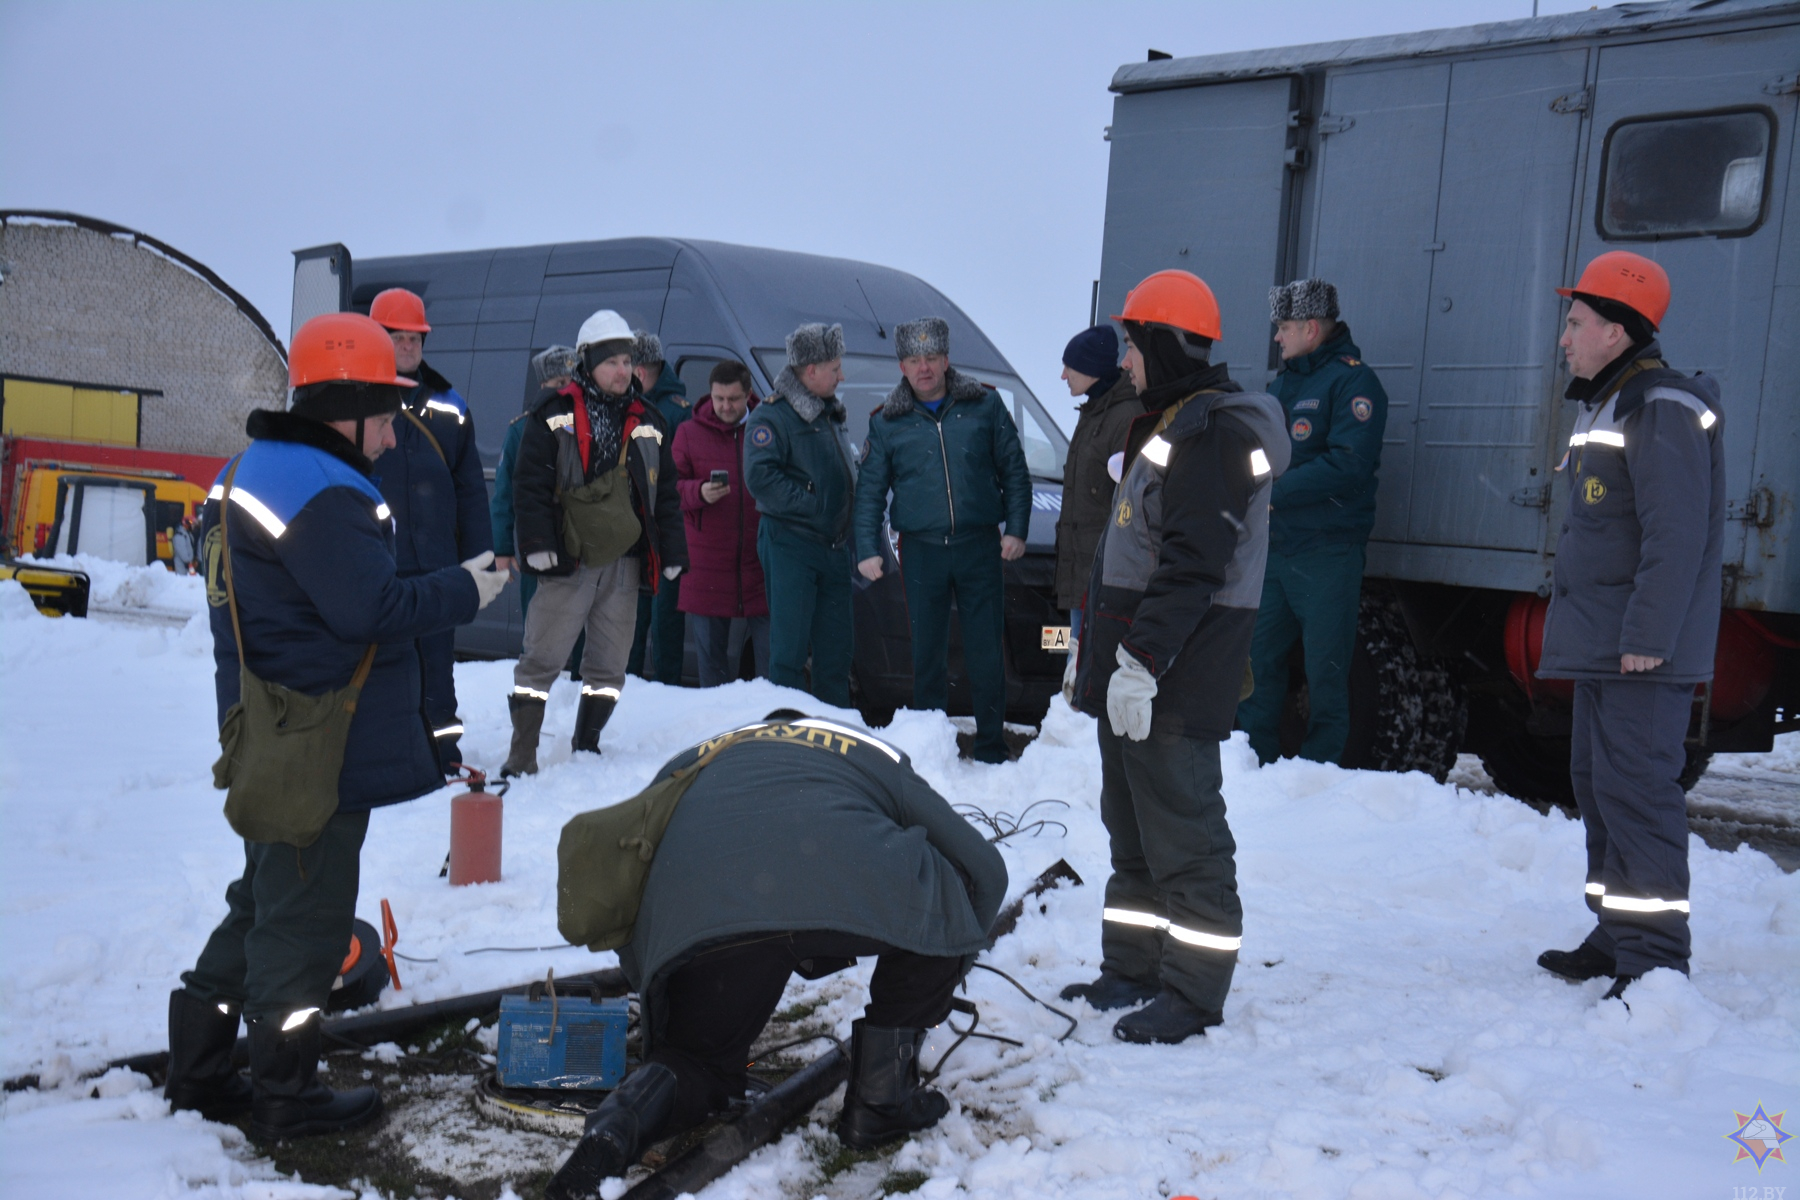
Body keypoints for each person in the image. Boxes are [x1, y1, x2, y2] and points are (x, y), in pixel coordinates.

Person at [162, 313, 506, 1139]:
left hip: (269, 726)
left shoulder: (259, 466)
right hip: (314, 735)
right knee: (304, 918)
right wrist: (466, 589)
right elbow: (371, 608)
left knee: (263, 899)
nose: (391, 438)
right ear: (346, 407)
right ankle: (286, 1095)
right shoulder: (322, 486)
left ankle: (201, 1070)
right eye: (385, 417)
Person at [544, 709, 1006, 1199]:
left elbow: (637, 883)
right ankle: (881, 1099)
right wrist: (953, 953)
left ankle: (614, 1129)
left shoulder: (696, 760)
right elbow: (986, 870)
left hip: (708, 913)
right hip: (839, 872)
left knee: (695, 1062)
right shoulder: (868, 752)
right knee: (946, 890)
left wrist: (665, 1020)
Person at [1062, 270, 1289, 1045]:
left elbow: (1195, 564)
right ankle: (1132, 967)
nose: (1125, 362)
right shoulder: (1170, 423)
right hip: (1137, 669)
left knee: (1185, 836)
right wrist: (1104, 661)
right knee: (1131, 830)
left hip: (1173, 676)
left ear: (1160, 343)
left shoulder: (1212, 433)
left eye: (1131, 345)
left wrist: (1142, 662)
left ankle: (1193, 991)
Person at [1533, 251, 1723, 1002]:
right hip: (1607, 645)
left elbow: (1674, 536)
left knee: (1638, 793)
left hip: (1640, 650)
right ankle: (1616, 931)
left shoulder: (1661, 405)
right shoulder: (1610, 400)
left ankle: (1653, 961)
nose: (1565, 337)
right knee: (1600, 785)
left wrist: (1648, 635)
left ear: (1616, 330)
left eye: (1575, 323)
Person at [502, 310, 686, 776]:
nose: (622, 370)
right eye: (611, 362)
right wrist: (537, 543)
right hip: (570, 558)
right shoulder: (552, 413)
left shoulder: (651, 418)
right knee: (541, 658)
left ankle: (588, 744)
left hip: (625, 562)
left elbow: (664, 491)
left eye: (627, 361)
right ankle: (522, 754)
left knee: (609, 666)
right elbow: (529, 484)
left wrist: (673, 553)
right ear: (587, 363)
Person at [853, 317, 1031, 762]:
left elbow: (1014, 469)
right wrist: (867, 549)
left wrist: (1018, 529)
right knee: (926, 653)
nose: (924, 368)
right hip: (922, 552)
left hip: (979, 547)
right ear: (902, 367)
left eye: (931, 358)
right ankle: (933, 749)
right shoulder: (887, 422)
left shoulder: (984, 406)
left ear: (946, 360)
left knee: (985, 651)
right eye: (914, 360)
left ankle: (991, 745)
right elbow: (870, 488)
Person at [1235, 280, 1389, 766]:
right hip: (1276, 552)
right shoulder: (1281, 387)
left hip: (1327, 553)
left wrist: (1276, 493)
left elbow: (1349, 465)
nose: (1277, 338)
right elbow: (1260, 457)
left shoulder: (1354, 383)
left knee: (1327, 671)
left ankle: (1325, 774)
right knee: (1256, 665)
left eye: (1283, 328)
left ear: (1311, 327)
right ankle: (1250, 763)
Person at [368, 287, 495, 774]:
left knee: (437, 670)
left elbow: (469, 488)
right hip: (381, 563)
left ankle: (442, 755)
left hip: (437, 563)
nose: (408, 346)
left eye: (415, 338)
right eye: (398, 337)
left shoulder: (450, 405)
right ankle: (386, 756)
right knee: (382, 667)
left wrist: (480, 556)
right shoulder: (357, 404)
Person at [742, 323, 857, 708]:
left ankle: (837, 734)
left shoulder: (830, 413)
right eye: (835, 368)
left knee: (836, 654)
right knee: (789, 655)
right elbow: (761, 478)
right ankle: (787, 737)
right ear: (810, 371)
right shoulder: (772, 417)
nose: (842, 376)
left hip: (834, 548)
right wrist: (816, 507)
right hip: (792, 544)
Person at [1052, 323, 1142, 695]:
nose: (1062, 375)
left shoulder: (1125, 418)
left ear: (1091, 369)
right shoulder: (1092, 413)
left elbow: (1129, 504)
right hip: (1080, 574)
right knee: (1074, 661)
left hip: (1103, 577)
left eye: (1069, 367)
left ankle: (1085, 741)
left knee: (1091, 670)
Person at [671, 359, 770, 686]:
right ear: (710, 395)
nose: (726, 406)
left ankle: (770, 726)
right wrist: (698, 491)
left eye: (734, 399)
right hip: (707, 564)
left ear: (748, 395)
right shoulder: (688, 432)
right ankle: (713, 729)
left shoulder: (766, 428)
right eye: (719, 399)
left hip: (760, 561)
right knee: (711, 666)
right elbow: (670, 490)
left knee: (772, 662)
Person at [492, 346, 579, 622]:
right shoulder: (522, 430)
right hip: (539, 545)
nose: (566, 391)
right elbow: (505, 495)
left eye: (572, 382)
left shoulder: (589, 426)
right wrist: (503, 549)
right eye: (559, 384)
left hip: (583, 549)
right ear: (543, 386)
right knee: (538, 635)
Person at [627, 330, 692, 686]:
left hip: (654, 528)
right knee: (649, 618)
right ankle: (652, 686)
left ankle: (638, 688)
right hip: (650, 527)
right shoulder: (668, 410)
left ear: (638, 371)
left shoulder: (669, 413)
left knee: (650, 618)